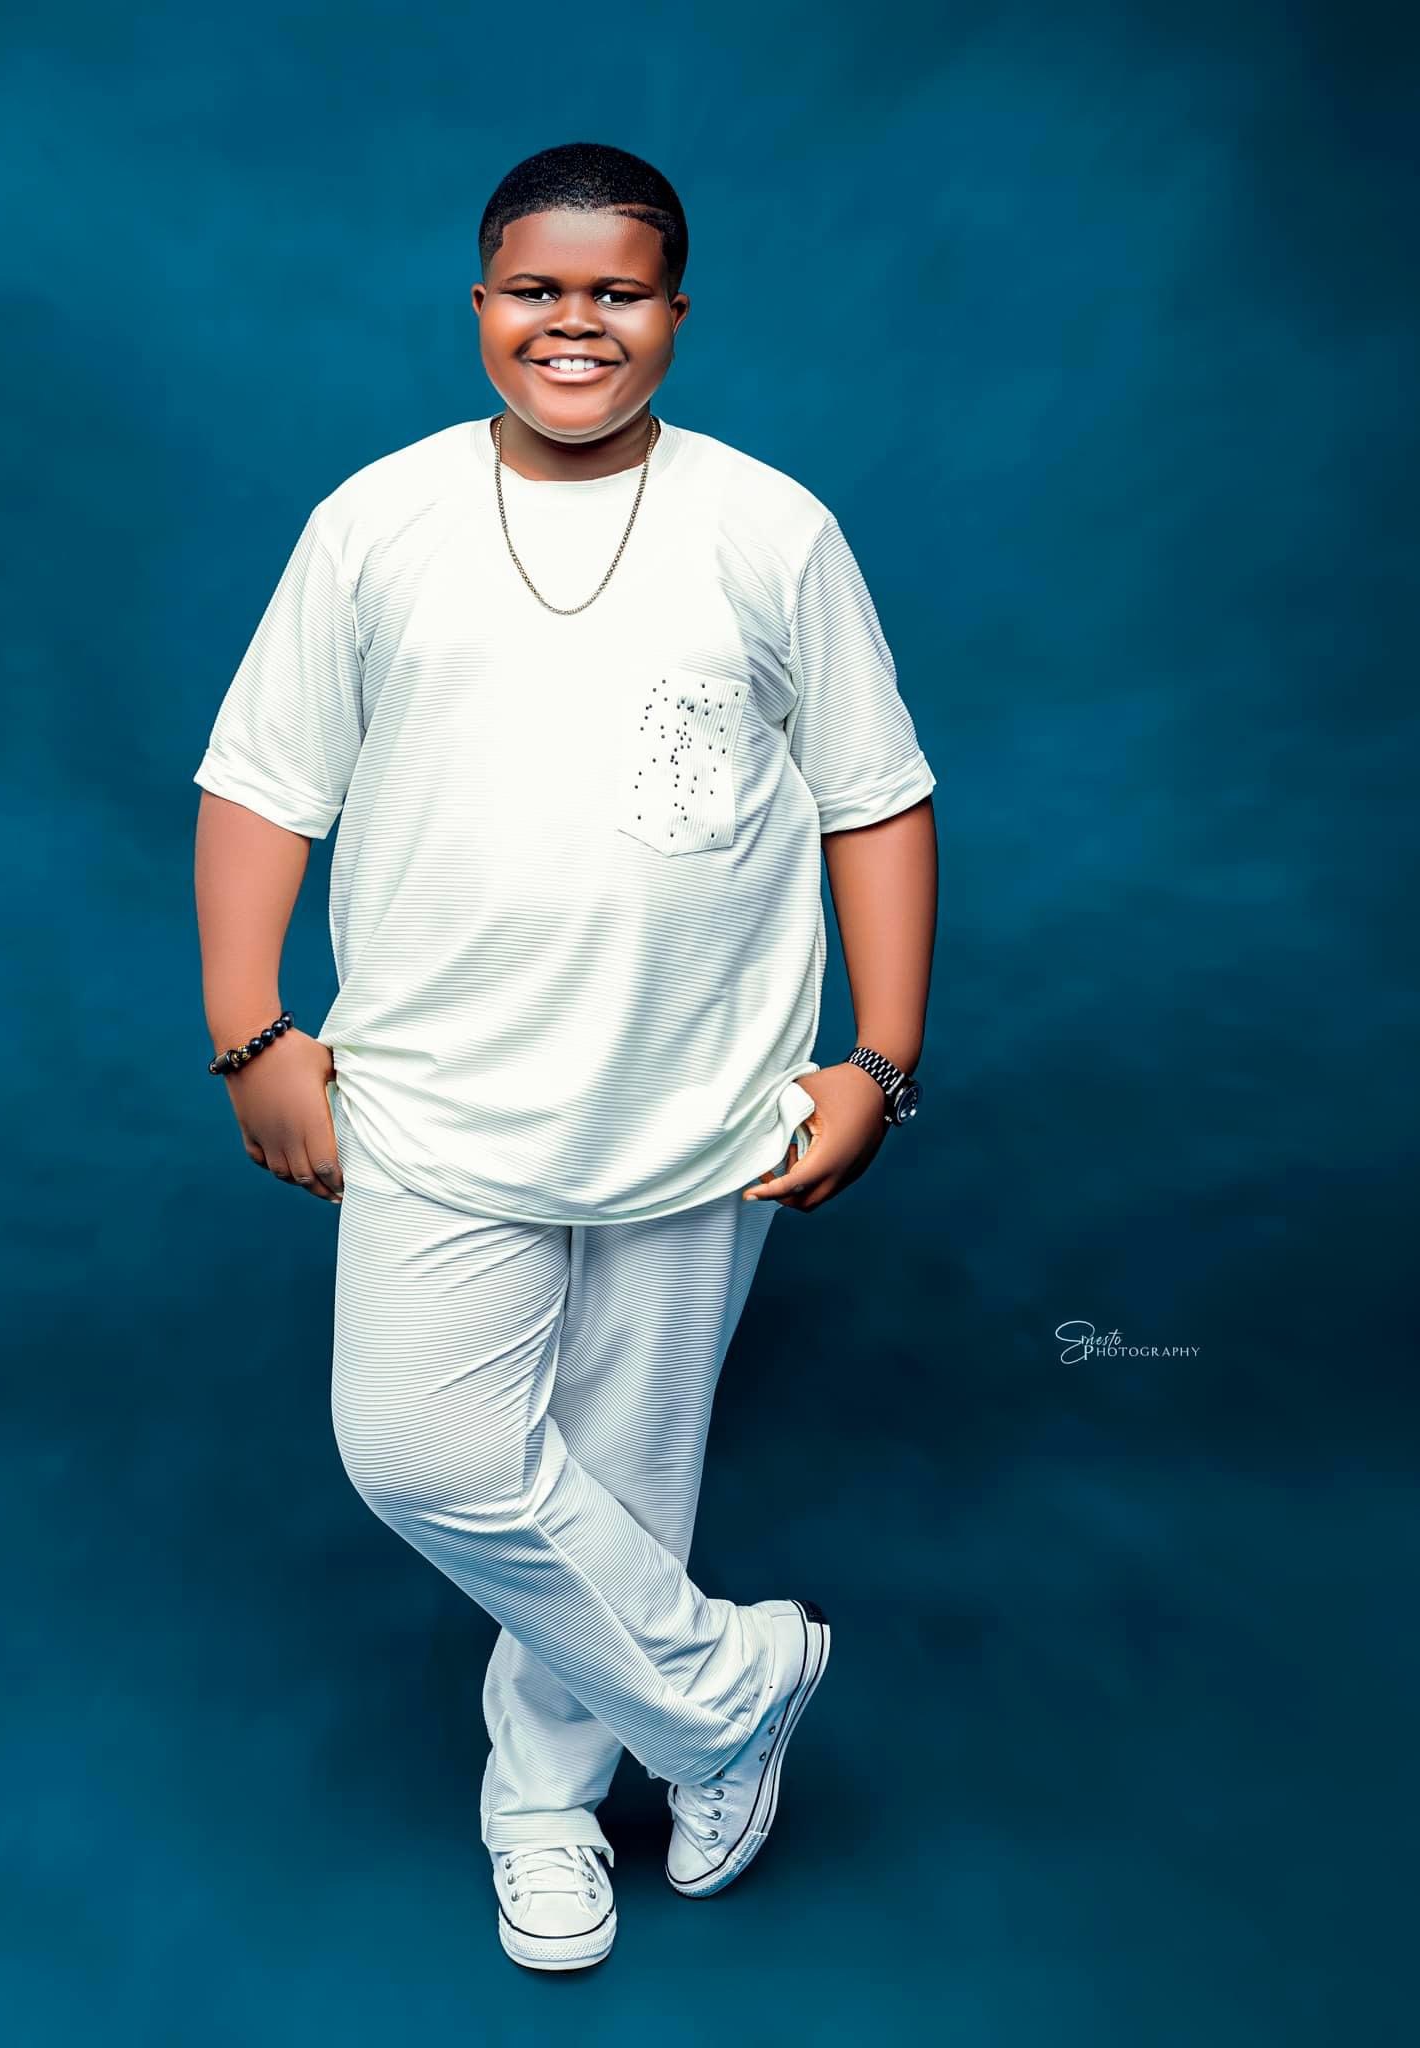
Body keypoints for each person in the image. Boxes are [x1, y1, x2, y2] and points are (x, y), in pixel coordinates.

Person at [191, 140, 939, 1973]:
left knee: (624, 1474)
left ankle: (542, 1807)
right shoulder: (376, 522)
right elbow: (261, 783)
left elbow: (873, 797)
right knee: (421, 1450)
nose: (573, 323)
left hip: (700, 1100)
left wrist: (880, 1059)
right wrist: (249, 1031)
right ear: (480, 306)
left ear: (675, 312)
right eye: (537, 288)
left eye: (617, 291)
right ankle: (726, 1693)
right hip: (433, 1094)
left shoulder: (769, 529)